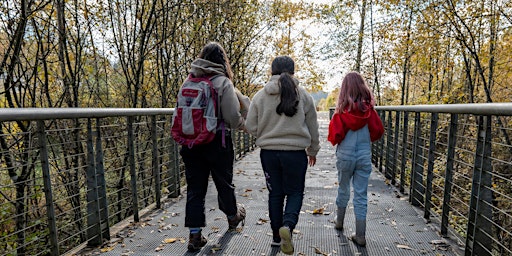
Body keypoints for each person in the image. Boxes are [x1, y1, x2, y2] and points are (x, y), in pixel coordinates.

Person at [245, 56, 320, 255]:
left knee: (275, 193)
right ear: (293, 72)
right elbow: (313, 127)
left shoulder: (260, 96)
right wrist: (313, 150)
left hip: (269, 154)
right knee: (295, 192)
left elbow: (251, 126)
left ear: (272, 72)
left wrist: (267, 131)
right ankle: (288, 225)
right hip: (296, 154)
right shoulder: (303, 95)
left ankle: (277, 237)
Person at [180, 42, 250, 252]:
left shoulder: (189, 81)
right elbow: (232, 117)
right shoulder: (223, 83)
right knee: (223, 183)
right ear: (223, 61)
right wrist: (246, 127)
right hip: (217, 142)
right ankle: (232, 216)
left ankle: (194, 235)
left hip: (191, 143)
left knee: (195, 188)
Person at [327, 71, 384, 247]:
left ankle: (339, 221)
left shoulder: (341, 113)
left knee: (343, 188)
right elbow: (378, 131)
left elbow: (334, 136)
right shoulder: (370, 112)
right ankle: (360, 234)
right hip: (363, 155)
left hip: (345, 155)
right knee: (361, 194)